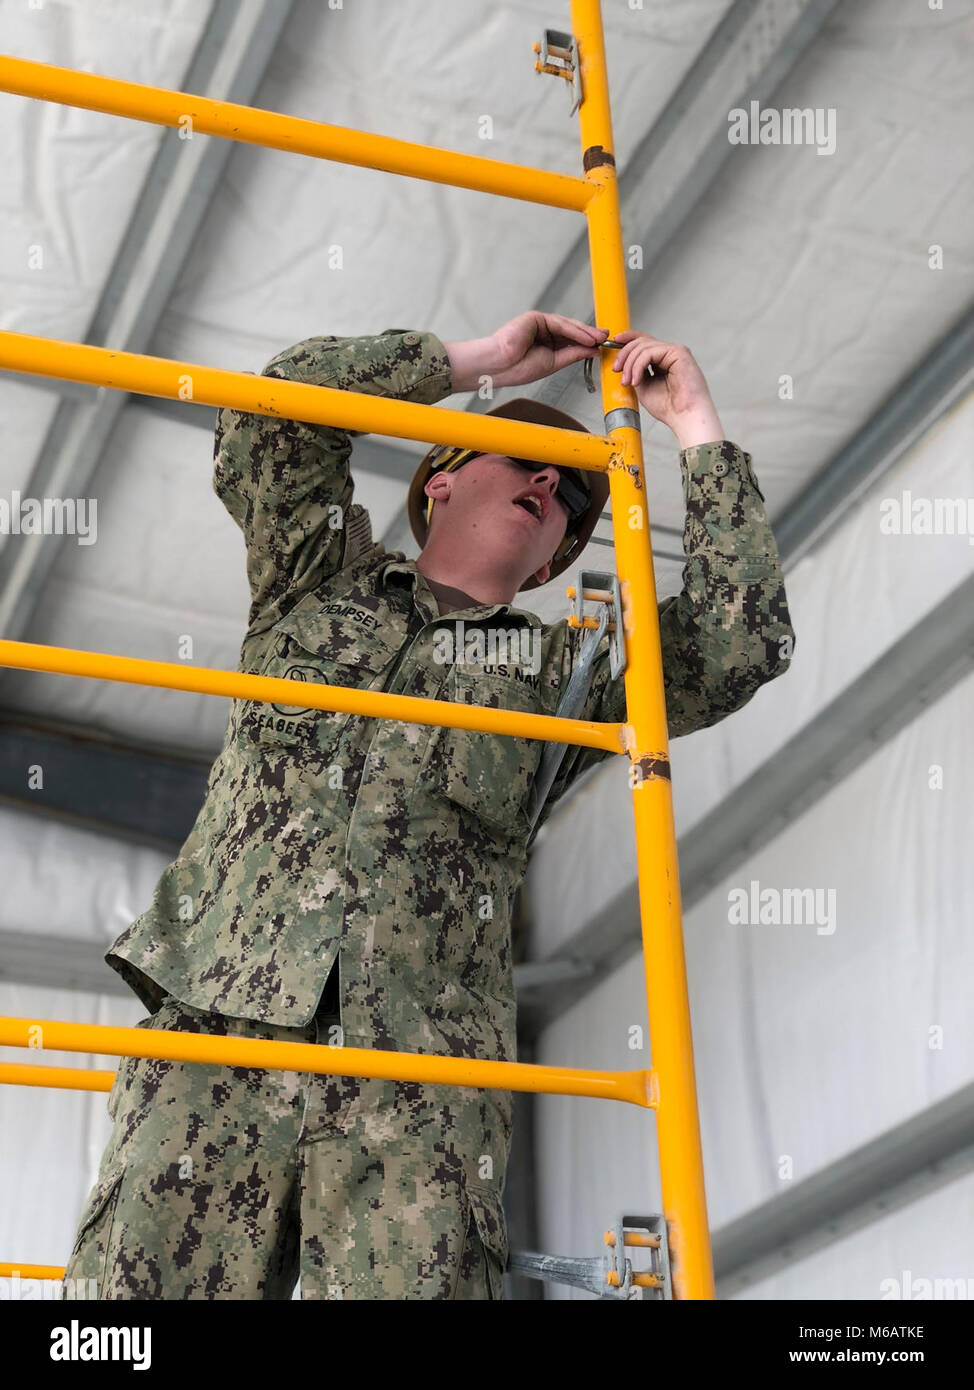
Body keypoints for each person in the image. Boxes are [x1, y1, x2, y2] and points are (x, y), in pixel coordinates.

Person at [61, 311, 795, 1300]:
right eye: (525, 460)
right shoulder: (311, 585)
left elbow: (734, 642)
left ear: (548, 567)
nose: (549, 484)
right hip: (217, 1033)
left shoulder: (557, 677)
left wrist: (694, 425)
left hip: (416, 1084)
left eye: (572, 495)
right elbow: (269, 426)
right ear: (438, 480)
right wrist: (469, 363)